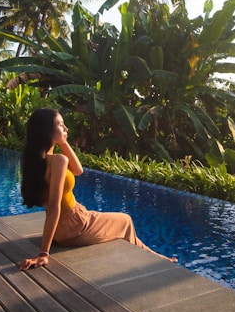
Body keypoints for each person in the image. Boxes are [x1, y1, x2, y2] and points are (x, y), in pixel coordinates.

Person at [18, 108, 176, 270]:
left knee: (116, 220)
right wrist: (44, 253)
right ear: (48, 131)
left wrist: (63, 142)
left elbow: (78, 170)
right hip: (75, 225)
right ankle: (155, 260)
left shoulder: (36, 162)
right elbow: (54, 206)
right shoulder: (58, 161)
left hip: (61, 230)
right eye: (61, 125)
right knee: (125, 220)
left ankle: (155, 256)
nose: (66, 129)